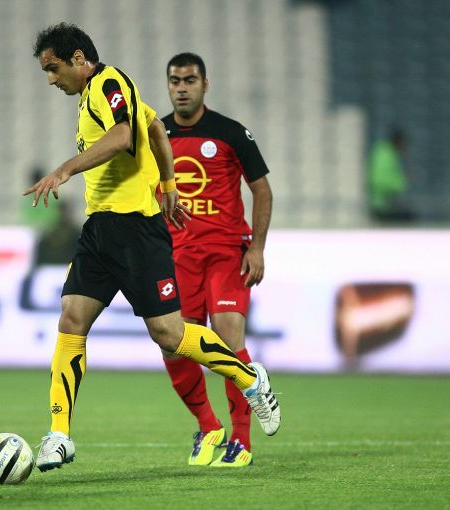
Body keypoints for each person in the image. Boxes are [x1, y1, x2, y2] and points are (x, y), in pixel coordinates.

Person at [25, 23, 280, 472]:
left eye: (54, 67)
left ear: (79, 58)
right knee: (71, 318)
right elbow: (156, 130)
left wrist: (65, 169)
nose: (50, 79)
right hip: (100, 229)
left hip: (136, 230)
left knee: (170, 335)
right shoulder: (92, 96)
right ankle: (59, 434)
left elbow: (124, 136)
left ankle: (249, 378)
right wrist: (169, 184)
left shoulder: (109, 83)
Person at [159, 53, 274, 468]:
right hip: (178, 256)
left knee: (227, 337)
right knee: (175, 344)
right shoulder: (156, 136)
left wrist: (257, 247)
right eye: (175, 81)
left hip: (227, 252)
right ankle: (209, 427)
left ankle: (241, 440)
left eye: (190, 80)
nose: (182, 88)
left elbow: (262, 190)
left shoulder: (230, 132)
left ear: (205, 84)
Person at [367, 128, 413, 222]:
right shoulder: (385, 154)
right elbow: (379, 179)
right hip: (380, 205)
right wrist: (402, 182)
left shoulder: (387, 153)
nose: (404, 147)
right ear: (398, 142)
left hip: (385, 204)